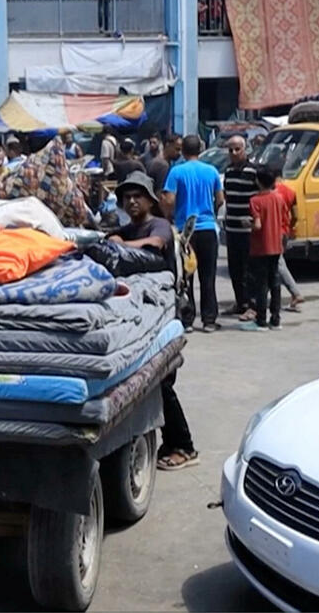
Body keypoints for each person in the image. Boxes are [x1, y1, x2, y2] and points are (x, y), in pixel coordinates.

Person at [110, 172, 199, 471]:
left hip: (165, 314)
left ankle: (184, 447)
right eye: (127, 197)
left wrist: (121, 244)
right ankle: (169, 441)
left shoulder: (157, 225)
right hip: (141, 316)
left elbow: (155, 244)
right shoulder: (127, 229)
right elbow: (110, 241)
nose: (132, 201)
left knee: (162, 381)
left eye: (138, 196)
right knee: (146, 381)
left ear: (150, 199)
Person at [161, 135, 224, 333]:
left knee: (186, 277)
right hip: (207, 228)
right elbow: (220, 199)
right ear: (201, 149)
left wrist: (169, 215)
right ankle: (209, 320)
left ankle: (187, 320)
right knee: (208, 276)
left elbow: (169, 200)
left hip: (185, 232)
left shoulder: (176, 172)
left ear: (184, 151)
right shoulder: (211, 171)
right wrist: (210, 211)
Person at [240, 166, 288, 332]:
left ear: (258, 182)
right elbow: (285, 219)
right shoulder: (279, 198)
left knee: (261, 284)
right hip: (276, 245)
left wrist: (248, 224)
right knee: (275, 282)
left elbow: (258, 225)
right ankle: (276, 319)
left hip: (261, 247)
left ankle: (261, 319)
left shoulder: (255, 201)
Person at [222, 135, 257, 319]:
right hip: (232, 228)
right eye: (230, 150)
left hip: (247, 231)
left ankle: (253, 305)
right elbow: (227, 196)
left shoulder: (253, 171)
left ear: (245, 150)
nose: (234, 153)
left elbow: (259, 198)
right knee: (234, 269)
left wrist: (253, 220)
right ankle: (240, 302)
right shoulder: (228, 171)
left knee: (248, 270)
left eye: (237, 149)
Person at [274, 173, 305, 312]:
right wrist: (291, 228)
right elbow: (296, 215)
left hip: (273, 232)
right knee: (276, 264)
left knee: (279, 263)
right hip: (285, 231)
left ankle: (296, 293)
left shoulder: (271, 191)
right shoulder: (291, 192)